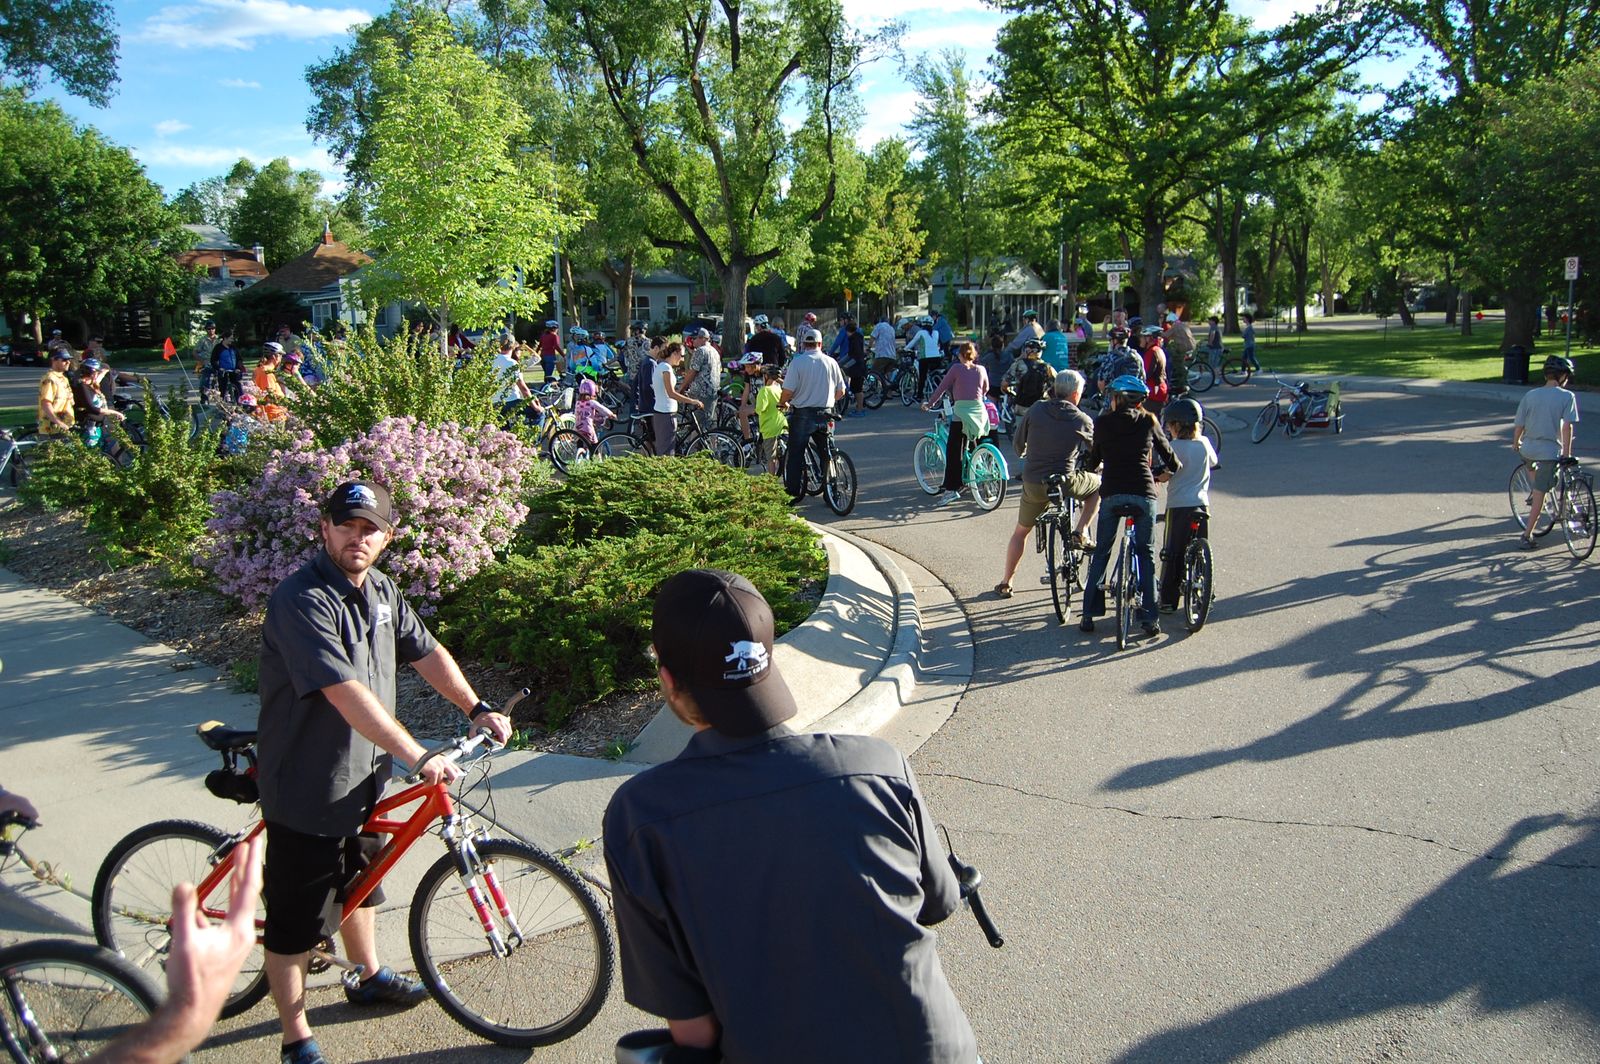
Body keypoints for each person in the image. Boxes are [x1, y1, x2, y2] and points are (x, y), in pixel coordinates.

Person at [602, 569, 980, 1064]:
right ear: (768, 659)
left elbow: (693, 1032)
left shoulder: (640, 819)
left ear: (668, 680)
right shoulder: (880, 767)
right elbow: (940, 901)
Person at [256, 482, 513, 1064]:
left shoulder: (381, 591)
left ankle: (368, 975)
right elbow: (345, 693)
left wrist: (475, 708)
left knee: (362, 881)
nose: (358, 536)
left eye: (370, 528)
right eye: (347, 525)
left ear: (387, 537)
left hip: (365, 775)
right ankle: (295, 1038)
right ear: (325, 528)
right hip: (308, 785)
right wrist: (418, 755)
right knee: (296, 924)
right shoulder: (303, 599)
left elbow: (426, 651)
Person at [1079, 375, 1179, 639]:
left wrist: (1093, 465)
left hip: (1112, 492)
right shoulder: (1149, 421)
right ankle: (1149, 618)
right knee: (1145, 554)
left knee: (1102, 551)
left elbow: (1094, 459)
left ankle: (1089, 613)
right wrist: (1165, 470)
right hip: (1143, 493)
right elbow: (1169, 456)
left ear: (1117, 398)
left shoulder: (1102, 423)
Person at [995, 370, 1101, 598]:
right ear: (1075, 394)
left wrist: (1025, 453)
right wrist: (1097, 467)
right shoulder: (1082, 419)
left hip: (1034, 481)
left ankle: (1006, 581)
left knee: (1020, 532)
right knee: (1096, 487)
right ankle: (1080, 531)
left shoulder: (1036, 409)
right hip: (1066, 481)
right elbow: (1097, 452)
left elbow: (1017, 445)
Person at [1156, 397, 1219, 611]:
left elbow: (1166, 474)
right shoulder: (1204, 443)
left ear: (1176, 425)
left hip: (1178, 506)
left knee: (1173, 552)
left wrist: (1156, 477)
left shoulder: (1174, 447)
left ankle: (1168, 600)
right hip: (1201, 504)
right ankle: (1203, 591)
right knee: (1200, 549)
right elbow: (1214, 462)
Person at [1512, 354, 1580, 550]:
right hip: (1548, 452)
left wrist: (1516, 442)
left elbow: (1520, 423)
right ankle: (1527, 535)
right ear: (1562, 376)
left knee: (1530, 465)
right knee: (1543, 490)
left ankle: (1535, 489)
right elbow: (1567, 427)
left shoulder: (1530, 395)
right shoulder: (1567, 397)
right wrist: (1566, 453)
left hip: (1528, 449)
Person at [779, 328, 846, 501]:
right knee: (827, 452)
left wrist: (782, 402)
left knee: (795, 452)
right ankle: (832, 492)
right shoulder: (831, 362)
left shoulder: (798, 362)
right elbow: (842, 391)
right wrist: (829, 399)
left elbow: (787, 390)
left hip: (803, 413)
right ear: (820, 344)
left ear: (803, 344)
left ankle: (792, 493)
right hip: (825, 411)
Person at [923, 340, 991, 507]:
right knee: (975, 444)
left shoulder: (956, 369)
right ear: (974, 355)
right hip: (979, 413)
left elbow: (941, 388)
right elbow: (986, 389)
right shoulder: (981, 369)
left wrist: (929, 404)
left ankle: (951, 489)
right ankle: (985, 482)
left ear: (960, 355)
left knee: (954, 450)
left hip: (961, 412)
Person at [652, 341, 703, 456]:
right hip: (666, 413)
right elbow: (671, 393)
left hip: (661, 411)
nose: (682, 359)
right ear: (675, 353)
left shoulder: (661, 366)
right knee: (667, 452)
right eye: (682, 355)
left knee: (664, 450)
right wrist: (692, 401)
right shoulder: (666, 369)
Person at [1000, 338, 1056, 425]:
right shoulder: (1047, 367)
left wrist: (1011, 393)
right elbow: (1057, 385)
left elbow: (1004, 384)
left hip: (1022, 406)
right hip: (1041, 407)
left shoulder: (1018, 365)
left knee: (1020, 433)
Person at [680, 326, 722, 418]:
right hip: (713, 392)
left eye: (695, 338)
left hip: (700, 393)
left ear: (703, 338)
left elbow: (692, 372)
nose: (693, 341)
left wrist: (682, 388)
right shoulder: (714, 351)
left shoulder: (700, 351)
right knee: (707, 422)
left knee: (697, 424)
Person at [753, 365, 786, 475]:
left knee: (771, 457)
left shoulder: (764, 391)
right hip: (782, 424)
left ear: (766, 377)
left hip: (769, 427)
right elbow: (786, 405)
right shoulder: (778, 389)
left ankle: (772, 479)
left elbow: (760, 408)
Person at [37, 348, 76, 437]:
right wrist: (57, 422)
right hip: (52, 429)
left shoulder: (63, 378)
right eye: (64, 360)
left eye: (69, 360)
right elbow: (46, 403)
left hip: (65, 426)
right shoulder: (49, 379)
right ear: (54, 360)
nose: (68, 362)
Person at [491, 337, 533, 415]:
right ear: (513, 346)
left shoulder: (490, 361)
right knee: (539, 414)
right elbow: (523, 389)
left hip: (494, 403)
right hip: (511, 401)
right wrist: (535, 407)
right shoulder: (512, 363)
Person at [573, 378, 617, 446]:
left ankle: (579, 453)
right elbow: (602, 409)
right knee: (595, 445)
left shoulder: (578, 403)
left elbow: (579, 413)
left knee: (580, 442)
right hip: (587, 428)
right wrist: (611, 414)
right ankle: (595, 455)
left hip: (577, 428)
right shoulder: (592, 402)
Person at [839, 316, 867, 416]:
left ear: (848, 331)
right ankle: (860, 408)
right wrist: (841, 362)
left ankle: (860, 410)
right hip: (859, 367)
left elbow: (854, 356)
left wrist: (845, 365)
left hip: (857, 368)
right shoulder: (858, 337)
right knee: (857, 389)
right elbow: (850, 354)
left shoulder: (853, 340)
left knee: (857, 390)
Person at [1138, 325, 1169, 415]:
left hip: (1153, 394)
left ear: (1149, 338)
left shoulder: (1152, 352)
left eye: (1143, 337)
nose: (1140, 339)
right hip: (1159, 390)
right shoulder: (1158, 350)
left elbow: (1145, 375)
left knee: (1149, 424)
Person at [911, 315, 943, 399]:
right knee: (935, 374)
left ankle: (919, 396)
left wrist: (904, 349)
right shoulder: (936, 333)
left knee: (922, 377)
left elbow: (913, 342)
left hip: (925, 358)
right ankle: (941, 391)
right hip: (937, 357)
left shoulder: (921, 332)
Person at [211, 330, 243, 403]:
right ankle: (223, 405)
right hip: (223, 371)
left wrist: (238, 368)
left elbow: (239, 359)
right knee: (223, 389)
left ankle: (240, 403)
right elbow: (213, 360)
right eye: (230, 338)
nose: (232, 340)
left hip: (234, 371)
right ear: (225, 338)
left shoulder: (233, 348)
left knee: (238, 388)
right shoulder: (218, 348)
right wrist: (219, 368)